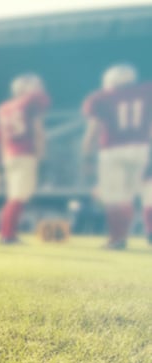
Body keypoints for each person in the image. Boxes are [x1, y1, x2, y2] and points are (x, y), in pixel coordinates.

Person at [82, 63, 152, 249]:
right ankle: (143, 231)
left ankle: (117, 238)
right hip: (140, 148)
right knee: (136, 195)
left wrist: (87, 156)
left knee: (116, 198)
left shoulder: (101, 98)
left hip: (112, 150)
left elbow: (93, 130)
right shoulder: (146, 91)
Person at [0, 73, 51, 244]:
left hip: (10, 155)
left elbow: (3, 137)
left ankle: (7, 233)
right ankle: (7, 235)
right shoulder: (30, 102)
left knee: (14, 196)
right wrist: (41, 152)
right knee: (19, 196)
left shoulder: (4, 107)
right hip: (25, 153)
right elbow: (37, 129)